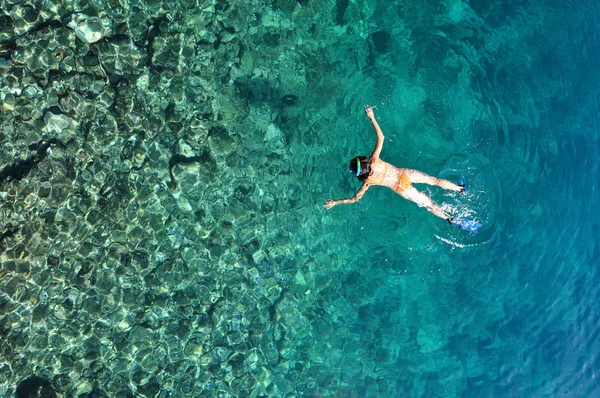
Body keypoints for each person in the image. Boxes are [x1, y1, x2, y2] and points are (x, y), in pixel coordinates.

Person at [324, 105, 481, 232]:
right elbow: (381, 137)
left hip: (401, 187)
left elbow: (355, 199)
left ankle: (450, 219)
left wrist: (336, 202)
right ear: (365, 161)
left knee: (429, 204)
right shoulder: (375, 160)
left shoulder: (367, 182)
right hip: (405, 174)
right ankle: (460, 189)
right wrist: (372, 118)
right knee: (434, 181)